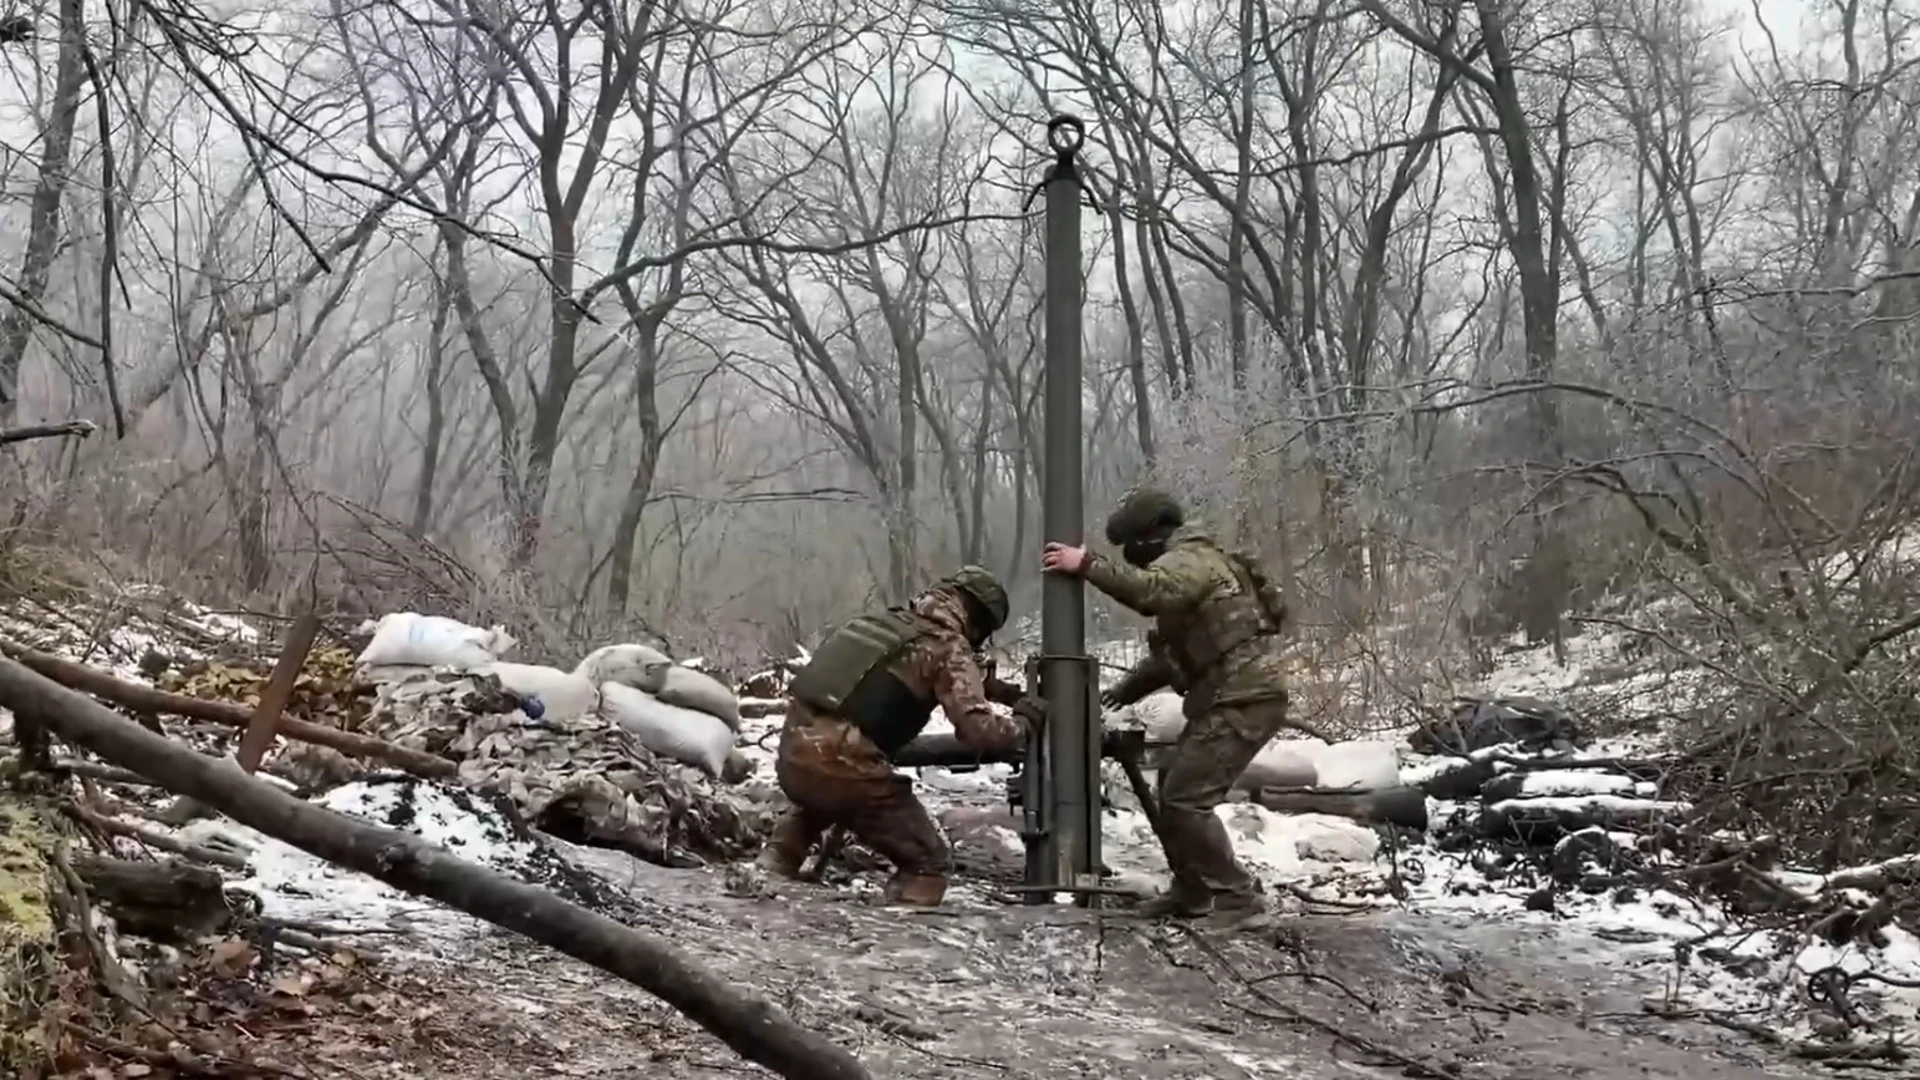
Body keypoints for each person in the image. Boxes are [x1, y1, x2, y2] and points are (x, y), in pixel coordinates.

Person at [1040, 488, 1290, 925]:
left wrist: (1087, 565)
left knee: (1186, 798)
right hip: (1228, 694)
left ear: (1152, 535)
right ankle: (1192, 891)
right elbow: (1179, 655)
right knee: (1172, 784)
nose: (1134, 555)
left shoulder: (1190, 559)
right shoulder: (1200, 561)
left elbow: (1151, 592)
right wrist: (1124, 691)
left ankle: (1237, 898)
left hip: (1244, 696)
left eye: (1133, 544)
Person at [759, 566, 1037, 907]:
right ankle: (890, 943)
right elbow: (978, 731)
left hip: (792, 757)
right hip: (845, 769)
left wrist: (1000, 691)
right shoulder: (948, 645)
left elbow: (881, 682)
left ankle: (770, 871)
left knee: (821, 802)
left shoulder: (877, 625)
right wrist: (1023, 725)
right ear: (978, 622)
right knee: (930, 862)